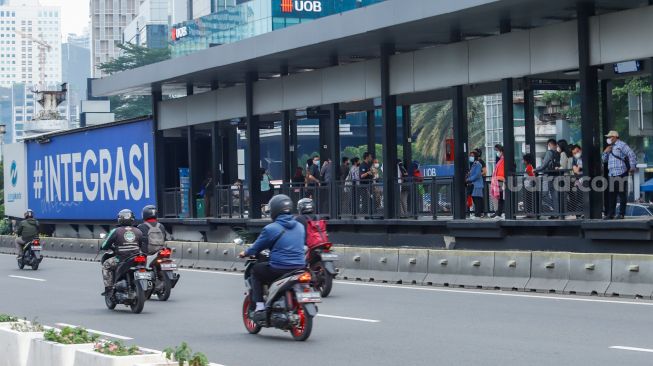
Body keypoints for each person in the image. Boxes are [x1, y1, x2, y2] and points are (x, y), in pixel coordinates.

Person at [238, 195, 306, 321]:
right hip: (300, 267)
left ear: (274, 210)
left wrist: (245, 253)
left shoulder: (271, 229)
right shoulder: (300, 227)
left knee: (256, 271)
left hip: (280, 268)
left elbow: (256, 248)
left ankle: (259, 307)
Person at [100, 209, 144, 296]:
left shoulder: (116, 231)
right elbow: (140, 245)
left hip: (121, 258)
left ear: (120, 219)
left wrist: (103, 247)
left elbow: (105, 245)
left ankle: (109, 289)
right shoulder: (138, 231)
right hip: (136, 257)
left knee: (106, 265)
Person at [603, 130, 637, 219]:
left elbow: (631, 154)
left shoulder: (621, 145)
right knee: (612, 195)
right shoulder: (610, 147)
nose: (608, 139)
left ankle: (621, 213)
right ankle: (611, 214)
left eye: (610, 137)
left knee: (621, 194)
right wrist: (606, 152)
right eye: (608, 137)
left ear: (615, 137)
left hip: (621, 172)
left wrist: (632, 166)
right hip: (612, 174)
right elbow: (604, 160)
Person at [536, 139, 561, 219]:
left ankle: (557, 210)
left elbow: (544, 165)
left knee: (544, 194)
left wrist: (536, 169)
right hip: (557, 176)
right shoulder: (558, 154)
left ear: (549, 145)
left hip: (549, 176)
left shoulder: (549, 152)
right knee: (554, 195)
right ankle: (557, 211)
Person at [467, 151, 485, 218]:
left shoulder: (478, 164)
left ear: (475, 156)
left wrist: (469, 179)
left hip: (477, 185)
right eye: (470, 155)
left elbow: (477, 175)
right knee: (475, 199)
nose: (470, 157)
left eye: (472, 155)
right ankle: (477, 213)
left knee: (477, 200)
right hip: (474, 185)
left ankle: (478, 214)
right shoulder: (473, 164)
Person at [490, 144, 505, 219]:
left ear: (501, 151)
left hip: (501, 180)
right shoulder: (500, 160)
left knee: (501, 197)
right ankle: (498, 212)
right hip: (499, 180)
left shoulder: (504, 160)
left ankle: (499, 213)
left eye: (497, 151)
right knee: (500, 198)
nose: (497, 152)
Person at [523, 153, 536, 218]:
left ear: (526, 160)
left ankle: (529, 213)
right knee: (528, 199)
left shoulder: (529, 167)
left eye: (524, 160)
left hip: (528, 186)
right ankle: (529, 212)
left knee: (528, 200)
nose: (523, 161)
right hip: (528, 185)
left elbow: (532, 176)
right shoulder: (529, 166)